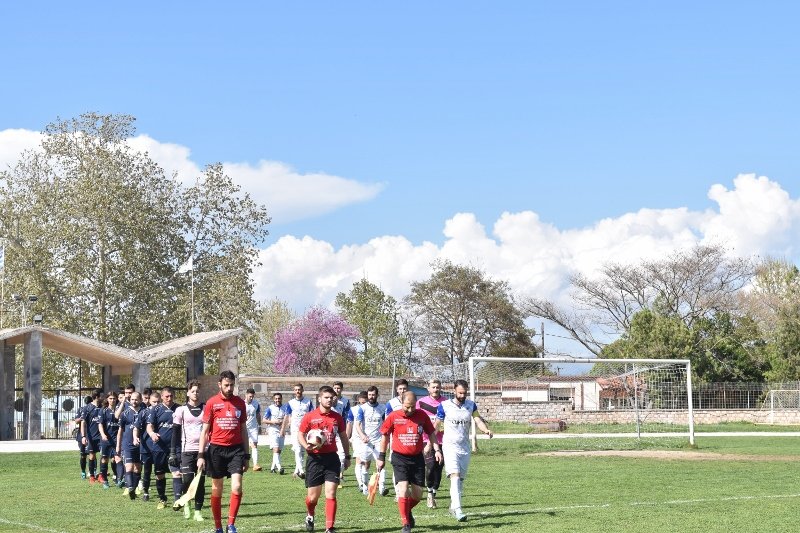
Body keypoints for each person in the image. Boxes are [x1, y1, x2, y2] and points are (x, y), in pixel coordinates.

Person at [377, 391, 442, 533]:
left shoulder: (421, 415)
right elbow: (385, 436)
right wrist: (381, 457)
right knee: (403, 489)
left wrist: (437, 449)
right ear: (401, 403)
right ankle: (406, 524)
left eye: (413, 406)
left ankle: (406, 510)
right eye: (407, 407)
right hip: (399, 458)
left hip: (417, 458)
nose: (410, 410)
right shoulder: (393, 416)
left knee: (418, 495)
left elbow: (431, 433)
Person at [197, 370, 249, 533]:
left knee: (237, 487)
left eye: (232, 385)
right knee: (216, 488)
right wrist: (200, 455)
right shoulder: (212, 403)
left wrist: (246, 455)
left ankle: (231, 524)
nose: (229, 388)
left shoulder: (240, 403)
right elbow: (205, 432)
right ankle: (218, 526)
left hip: (236, 450)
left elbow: (243, 430)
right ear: (219, 385)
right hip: (216, 450)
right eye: (226, 385)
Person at [436, 379, 493, 522]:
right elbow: (436, 424)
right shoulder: (444, 406)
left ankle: (453, 506)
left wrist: (485, 430)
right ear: (454, 391)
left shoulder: (471, 405)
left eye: (464, 393)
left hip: (464, 447)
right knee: (454, 475)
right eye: (460, 392)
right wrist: (430, 441)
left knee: (460, 479)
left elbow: (477, 419)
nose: (462, 395)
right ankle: (458, 508)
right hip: (449, 446)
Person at [298, 385, 350, 533]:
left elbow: (344, 437)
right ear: (319, 398)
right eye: (326, 397)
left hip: (332, 459)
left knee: (331, 493)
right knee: (312, 498)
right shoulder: (310, 416)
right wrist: (306, 446)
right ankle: (310, 514)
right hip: (315, 459)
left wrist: (347, 456)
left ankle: (329, 528)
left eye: (331, 398)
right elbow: (300, 434)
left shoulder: (337, 417)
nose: (329, 400)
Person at [172, 379, 206, 521]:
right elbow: (175, 433)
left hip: (202, 451)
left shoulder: (206, 408)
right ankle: (186, 504)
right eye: (193, 391)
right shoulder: (181, 410)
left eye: (198, 391)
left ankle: (198, 511)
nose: (196, 393)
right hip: (187, 450)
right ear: (188, 393)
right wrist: (173, 452)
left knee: (200, 482)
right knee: (186, 480)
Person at [143, 389, 178, 509]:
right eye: (167, 396)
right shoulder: (156, 409)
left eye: (171, 396)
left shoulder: (179, 409)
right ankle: (162, 498)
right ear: (162, 397)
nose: (169, 398)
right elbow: (149, 426)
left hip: (175, 447)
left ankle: (178, 499)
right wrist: (152, 434)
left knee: (177, 473)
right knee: (159, 474)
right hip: (159, 447)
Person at [416, 379, 445, 508]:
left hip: (443, 440)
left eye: (438, 387)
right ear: (428, 388)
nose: (435, 389)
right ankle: (429, 493)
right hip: (425, 440)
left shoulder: (446, 402)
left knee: (438, 469)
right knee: (430, 466)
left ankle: (433, 493)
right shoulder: (421, 403)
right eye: (433, 387)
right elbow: (417, 420)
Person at [353, 386, 387, 496]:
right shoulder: (362, 408)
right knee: (364, 464)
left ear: (377, 395)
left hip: (378, 441)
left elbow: (385, 424)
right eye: (369, 395)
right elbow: (357, 425)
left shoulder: (382, 408)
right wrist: (362, 435)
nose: (371, 397)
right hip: (366, 442)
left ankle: (382, 487)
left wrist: (385, 438)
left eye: (373, 395)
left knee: (381, 464)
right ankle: (365, 487)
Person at [384, 379, 409, 496]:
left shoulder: (412, 401)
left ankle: (405, 488)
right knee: (397, 464)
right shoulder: (391, 403)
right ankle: (398, 491)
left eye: (404, 388)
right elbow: (387, 423)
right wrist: (387, 440)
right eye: (400, 388)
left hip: (410, 437)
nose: (402, 391)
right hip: (396, 438)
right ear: (396, 390)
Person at [117, 391, 143, 500]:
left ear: (140, 400)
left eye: (136, 399)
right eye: (132, 399)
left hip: (141, 445)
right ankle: (130, 487)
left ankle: (135, 487)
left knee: (137, 468)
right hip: (127, 444)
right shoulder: (125, 413)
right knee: (129, 466)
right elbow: (120, 431)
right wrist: (118, 445)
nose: (134, 401)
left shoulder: (144, 412)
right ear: (130, 400)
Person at [285, 383, 314, 479]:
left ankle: (297, 470)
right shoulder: (290, 403)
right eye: (296, 389)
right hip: (295, 429)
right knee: (297, 449)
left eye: (299, 389)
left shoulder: (308, 402)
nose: (298, 391)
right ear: (294, 391)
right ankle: (301, 470)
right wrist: (285, 426)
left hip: (306, 429)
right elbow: (288, 415)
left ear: (302, 390)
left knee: (302, 450)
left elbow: (311, 414)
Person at [80, 389, 107, 484]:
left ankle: (100, 475)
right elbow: (83, 423)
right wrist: (83, 436)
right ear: (97, 397)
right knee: (91, 456)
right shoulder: (87, 408)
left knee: (103, 456)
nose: (103, 398)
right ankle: (91, 476)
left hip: (101, 437)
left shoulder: (103, 407)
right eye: (102, 396)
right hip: (91, 437)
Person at [137, 388, 157, 501]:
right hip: (147, 446)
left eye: (158, 402)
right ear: (149, 401)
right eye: (154, 402)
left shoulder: (164, 412)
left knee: (160, 471)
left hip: (160, 447)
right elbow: (137, 427)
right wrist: (135, 437)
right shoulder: (144, 412)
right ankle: (145, 492)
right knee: (147, 470)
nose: (156, 404)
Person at [331, 381, 351, 488]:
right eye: (335, 388)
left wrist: (348, 432)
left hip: (340, 431)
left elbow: (348, 417)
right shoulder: (329, 399)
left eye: (338, 388)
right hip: (329, 430)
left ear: (341, 389)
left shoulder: (346, 401)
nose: (336, 390)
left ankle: (339, 474)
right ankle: (333, 475)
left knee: (343, 456)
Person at [101, 391, 123, 489]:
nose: (112, 400)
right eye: (110, 398)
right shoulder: (103, 411)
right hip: (106, 439)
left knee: (118, 458)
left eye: (114, 398)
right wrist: (103, 434)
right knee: (104, 459)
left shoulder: (120, 411)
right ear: (107, 399)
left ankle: (119, 480)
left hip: (116, 439)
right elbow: (100, 424)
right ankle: (105, 480)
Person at [263, 392, 287, 474]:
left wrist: (284, 427)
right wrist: (273, 422)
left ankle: (273, 468)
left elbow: (287, 418)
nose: (277, 400)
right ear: (274, 399)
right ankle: (280, 468)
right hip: (273, 430)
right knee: (276, 449)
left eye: (279, 398)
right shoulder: (270, 408)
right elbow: (264, 420)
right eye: (276, 399)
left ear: (281, 399)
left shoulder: (285, 408)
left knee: (279, 451)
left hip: (281, 430)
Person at [349, 391, 368, 492]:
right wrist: (348, 438)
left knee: (365, 462)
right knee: (359, 460)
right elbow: (349, 423)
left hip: (367, 438)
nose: (363, 402)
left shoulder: (370, 409)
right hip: (356, 438)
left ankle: (364, 481)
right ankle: (360, 483)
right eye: (362, 400)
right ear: (359, 400)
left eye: (365, 400)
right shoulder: (353, 410)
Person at [244, 388, 263, 471]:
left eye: (252, 397)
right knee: (243, 445)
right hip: (244, 427)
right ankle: (243, 463)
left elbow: (258, 414)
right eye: (250, 396)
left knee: (254, 445)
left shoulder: (256, 404)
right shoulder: (242, 404)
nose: (251, 398)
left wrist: (259, 425)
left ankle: (255, 465)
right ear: (246, 395)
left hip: (253, 427)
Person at [74, 395, 92, 479]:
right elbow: (76, 421)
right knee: (83, 454)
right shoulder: (81, 409)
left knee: (92, 454)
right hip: (81, 435)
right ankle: (83, 472)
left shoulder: (94, 409)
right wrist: (82, 418)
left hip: (91, 435)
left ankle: (92, 471)